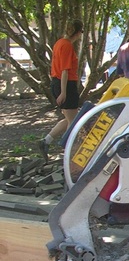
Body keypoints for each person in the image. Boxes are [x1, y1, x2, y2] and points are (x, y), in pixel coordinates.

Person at [39, 19, 84, 160]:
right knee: (74, 121)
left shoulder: (59, 43)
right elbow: (65, 70)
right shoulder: (67, 45)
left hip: (57, 82)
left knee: (70, 118)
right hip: (66, 84)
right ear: (78, 33)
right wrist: (64, 92)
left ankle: (46, 141)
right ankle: (69, 152)